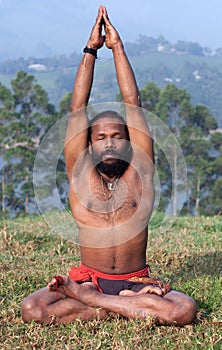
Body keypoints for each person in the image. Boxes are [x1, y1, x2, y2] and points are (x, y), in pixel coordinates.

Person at [21, 5, 197, 325]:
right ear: (89, 145)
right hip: (91, 278)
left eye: (118, 135)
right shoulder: (79, 173)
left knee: (184, 309)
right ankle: (115, 304)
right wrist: (91, 49)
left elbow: (133, 103)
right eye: (101, 137)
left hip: (136, 282)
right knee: (32, 309)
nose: (110, 142)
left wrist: (118, 48)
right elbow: (77, 108)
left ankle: (93, 304)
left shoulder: (140, 172)